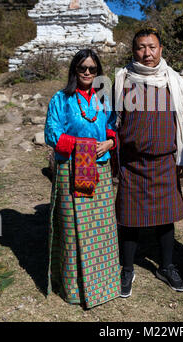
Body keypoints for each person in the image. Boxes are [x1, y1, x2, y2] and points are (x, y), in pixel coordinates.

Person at [114, 28, 183, 298]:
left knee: (166, 218)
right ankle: (126, 269)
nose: (147, 53)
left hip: (165, 161)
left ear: (161, 49)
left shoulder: (175, 81)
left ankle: (167, 266)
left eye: (152, 47)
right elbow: (113, 122)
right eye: (141, 48)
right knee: (129, 218)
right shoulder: (122, 79)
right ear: (133, 51)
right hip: (132, 163)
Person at [44, 48, 120, 309]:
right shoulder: (61, 99)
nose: (87, 73)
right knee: (70, 227)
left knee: (101, 229)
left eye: (92, 69)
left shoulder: (103, 98)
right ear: (74, 70)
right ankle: (74, 289)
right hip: (70, 169)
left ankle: (104, 283)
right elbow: (52, 133)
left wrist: (110, 143)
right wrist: (82, 145)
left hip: (99, 169)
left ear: (98, 72)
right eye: (82, 68)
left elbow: (112, 127)